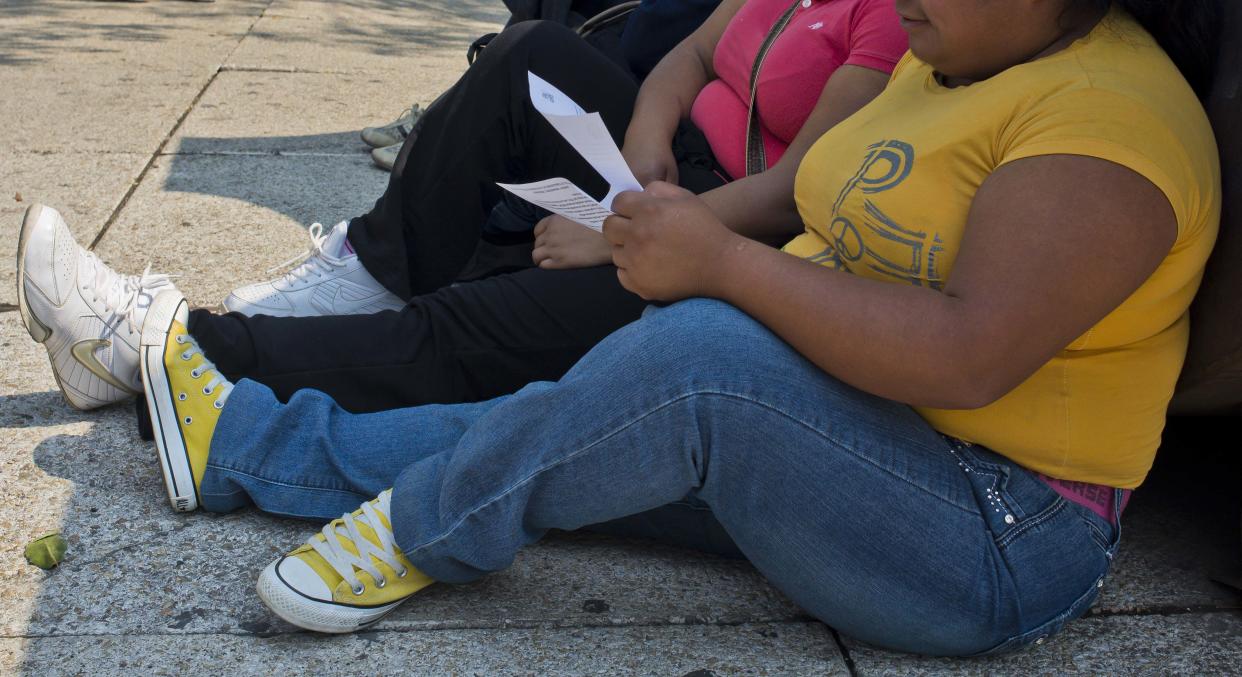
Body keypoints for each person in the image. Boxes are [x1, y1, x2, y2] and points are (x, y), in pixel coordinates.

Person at [127, 0, 1220, 656]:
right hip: (868, 435)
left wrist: (725, 265)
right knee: (574, 418)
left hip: (998, 530)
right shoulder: (954, 54)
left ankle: (422, 528)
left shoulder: (1105, 126)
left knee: (700, 354)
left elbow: (967, 353)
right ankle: (241, 442)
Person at [17, 0, 907, 422]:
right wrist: (642, 152)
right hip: (680, 182)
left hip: (752, 241)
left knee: (476, 321)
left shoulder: (901, 16)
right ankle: (367, 273)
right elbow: (688, 58)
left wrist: (623, 231)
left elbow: (804, 190)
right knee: (531, 54)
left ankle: (168, 352)